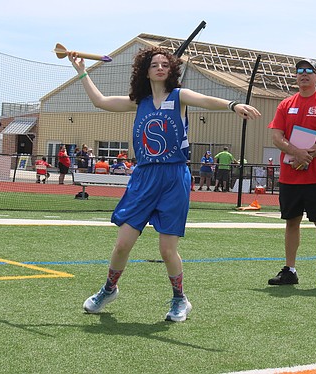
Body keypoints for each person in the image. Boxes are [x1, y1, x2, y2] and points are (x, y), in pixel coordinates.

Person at [69, 46, 260, 321]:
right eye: (154, 64)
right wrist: (81, 71)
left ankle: (180, 299)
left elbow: (206, 100)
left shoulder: (179, 96)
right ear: (145, 71)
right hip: (144, 177)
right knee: (122, 244)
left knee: (167, 249)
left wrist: (233, 105)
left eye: (164, 64)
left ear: (171, 70)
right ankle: (109, 289)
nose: (160, 67)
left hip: (174, 177)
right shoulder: (139, 101)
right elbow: (99, 101)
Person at [267, 58, 316, 292]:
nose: (303, 74)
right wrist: (295, 152)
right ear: (296, 77)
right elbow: (276, 136)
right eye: (299, 71)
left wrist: (306, 156)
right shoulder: (285, 104)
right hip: (291, 177)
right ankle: (289, 270)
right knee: (291, 222)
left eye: (309, 71)